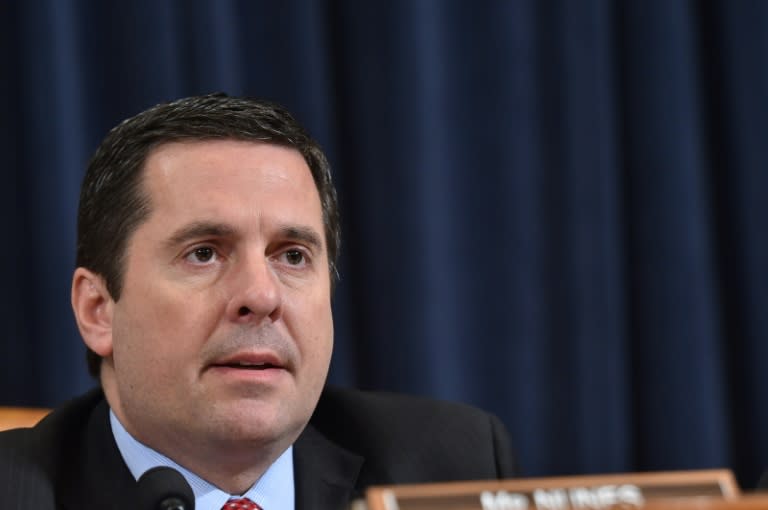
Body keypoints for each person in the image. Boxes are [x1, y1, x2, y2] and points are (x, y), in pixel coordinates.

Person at [0, 94, 516, 509]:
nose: (261, 295)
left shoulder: (451, 466)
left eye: (292, 256)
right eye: (203, 253)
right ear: (98, 310)